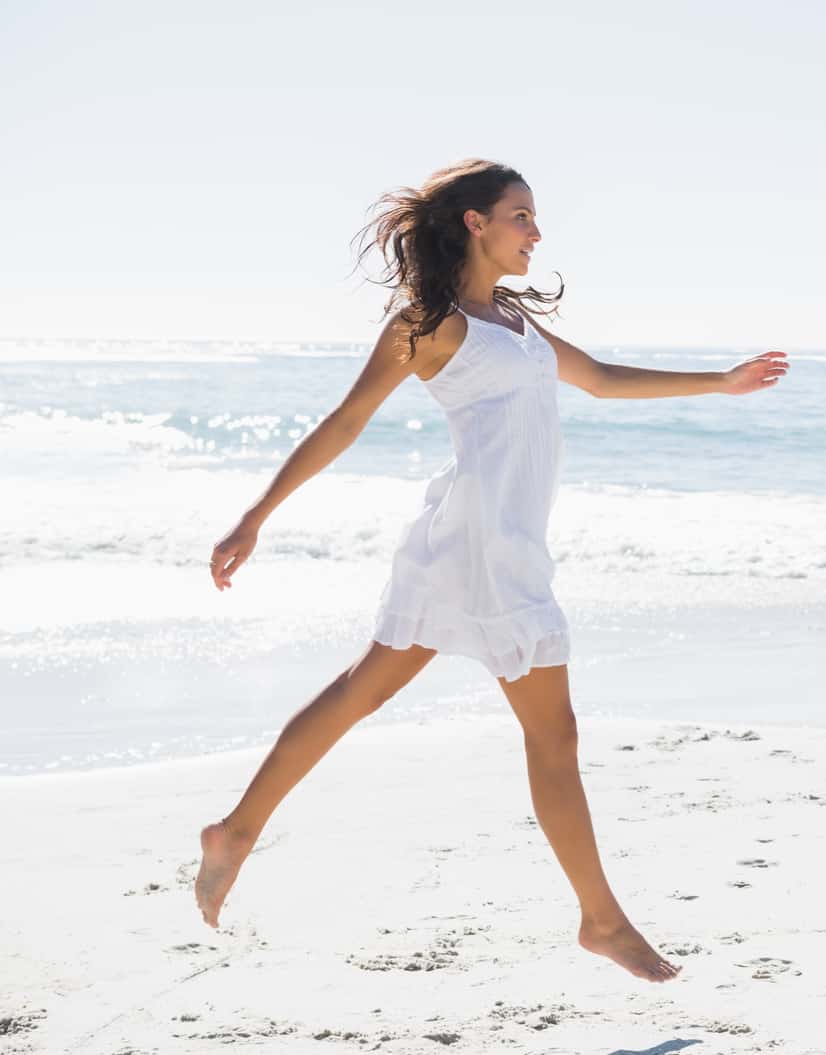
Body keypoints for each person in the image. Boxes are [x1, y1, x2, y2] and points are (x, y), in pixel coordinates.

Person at [195, 158, 789, 983]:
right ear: (475, 222)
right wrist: (256, 516)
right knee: (553, 735)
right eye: (522, 216)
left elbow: (601, 380)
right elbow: (347, 420)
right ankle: (603, 921)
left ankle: (236, 832)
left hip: (492, 540)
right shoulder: (427, 325)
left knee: (363, 692)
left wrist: (719, 384)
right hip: (484, 548)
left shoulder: (512, 321)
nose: (536, 233)